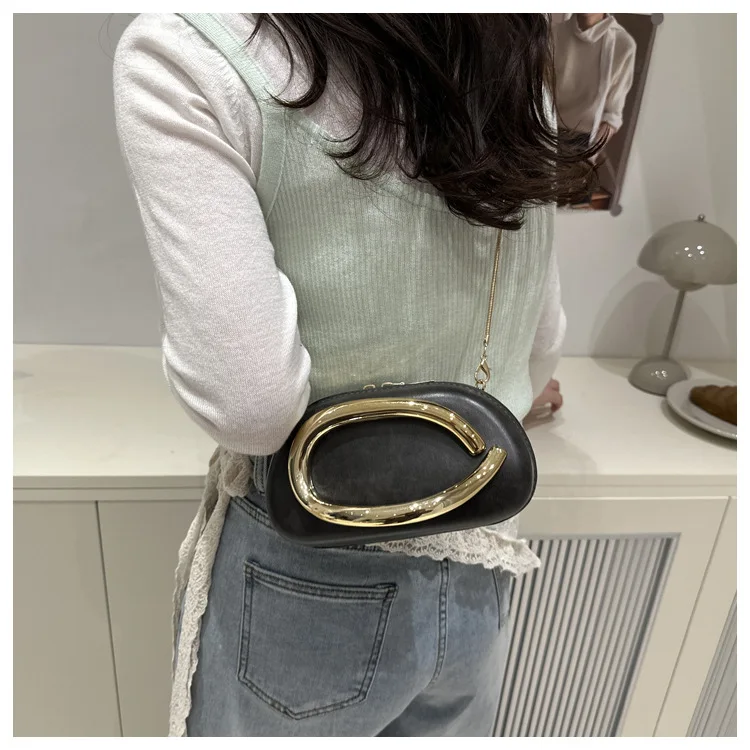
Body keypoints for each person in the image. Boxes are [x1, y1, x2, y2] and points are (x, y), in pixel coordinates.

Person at [114, 13, 593, 737]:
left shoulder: (192, 48)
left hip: (307, 566)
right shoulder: (506, 46)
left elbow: (250, 407)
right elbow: (545, 337)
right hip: (483, 553)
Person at [553, 13, 637, 151]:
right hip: (545, 133)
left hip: (585, 143)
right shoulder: (553, 35)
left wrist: (590, 154)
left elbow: (612, 116)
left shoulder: (623, 45)